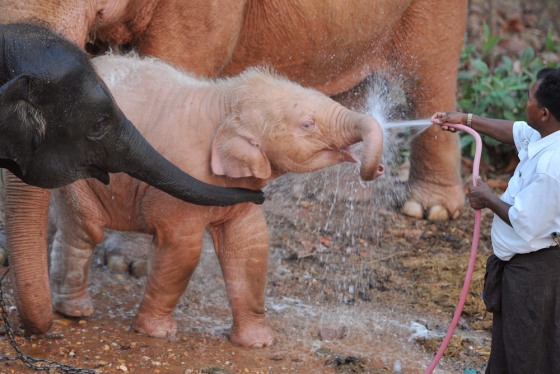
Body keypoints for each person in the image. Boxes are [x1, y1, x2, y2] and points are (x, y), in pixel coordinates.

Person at [432, 67, 560, 373]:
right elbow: (514, 131)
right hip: (521, 266)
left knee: (528, 354)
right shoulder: (546, 135)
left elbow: (525, 222)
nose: (524, 102)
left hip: (536, 273)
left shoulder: (551, 167)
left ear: (543, 112)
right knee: (509, 350)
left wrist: (489, 198)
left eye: (529, 98)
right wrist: (467, 120)